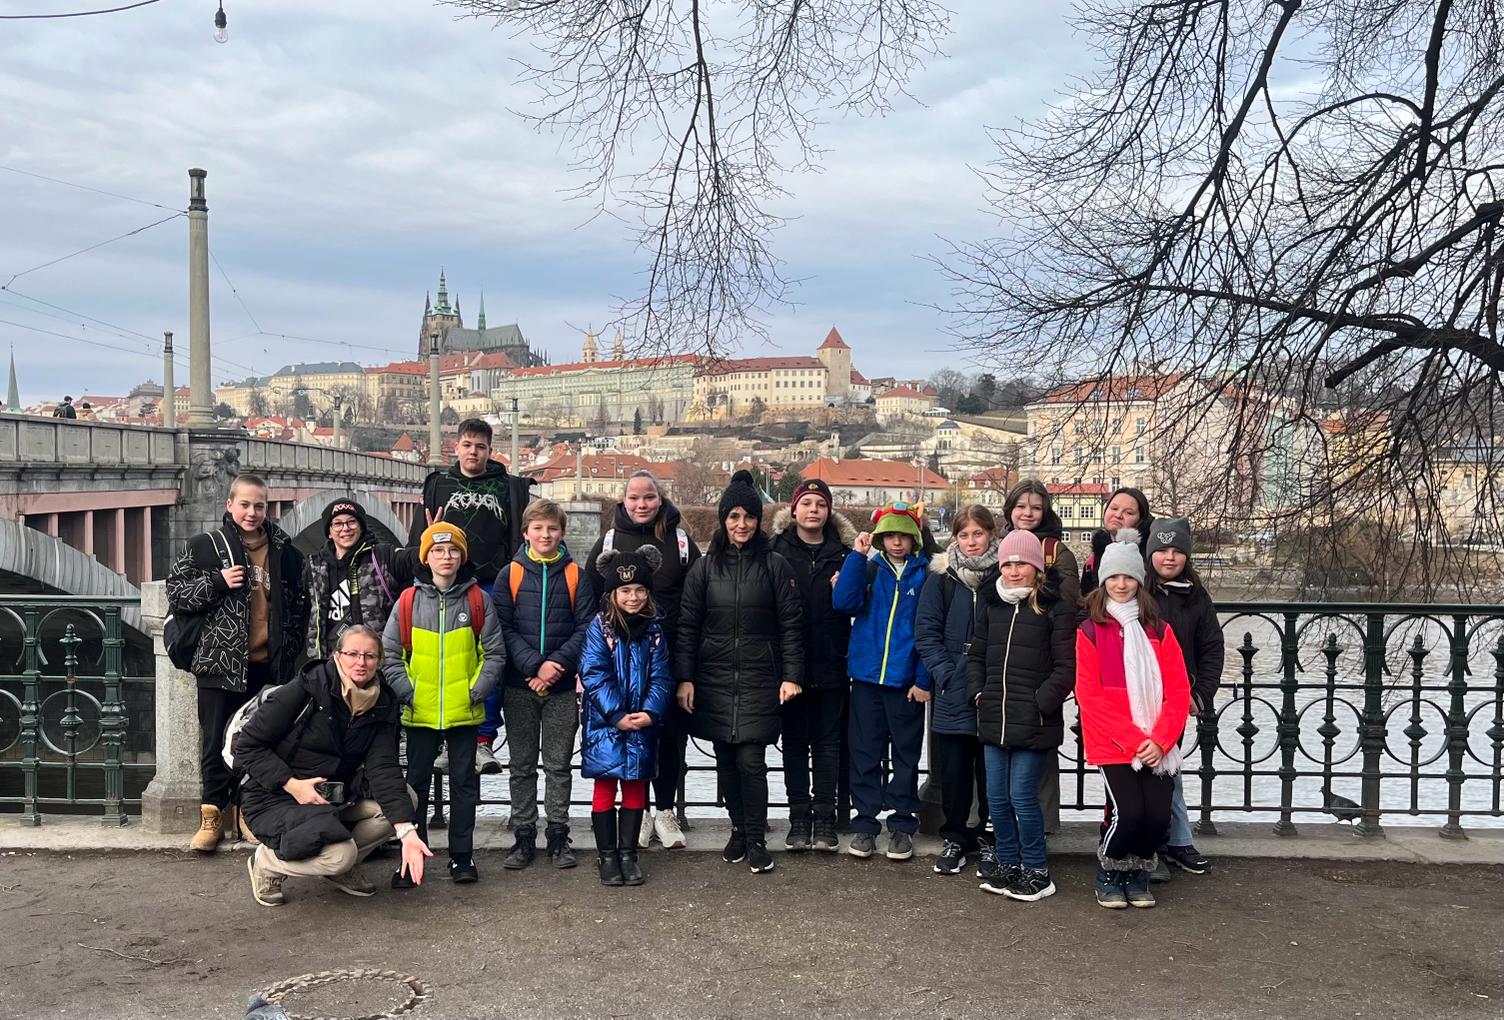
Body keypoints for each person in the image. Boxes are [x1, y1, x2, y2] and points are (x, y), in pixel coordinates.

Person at [166, 473, 308, 853]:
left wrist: (288, 650)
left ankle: (249, 813)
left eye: (259, 505)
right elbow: (176, 595)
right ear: (230, 505)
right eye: (244, 504)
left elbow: (298, 607)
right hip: (220, 663)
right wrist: (215, 582)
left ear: (267, 508)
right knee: (214, 743)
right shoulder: (205, 546)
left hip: (267, 667)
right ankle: (212, 818)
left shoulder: (287, 552)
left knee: (258, 743)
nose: (252, 512)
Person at [239, 625, 431, 906]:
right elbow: (248, 745)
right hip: (275, 797)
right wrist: (291, 785)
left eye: (369, 655)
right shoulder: (307, 688)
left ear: (379, 661)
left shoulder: (383, 703)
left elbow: (383, 768)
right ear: (337, 656)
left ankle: (340, 870)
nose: (360, 662)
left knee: (405, 800)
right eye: (352, 653)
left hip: (331, 795)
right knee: (339, 855)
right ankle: (267, 862)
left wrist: (407, 832)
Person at [676, 470, 804, 874]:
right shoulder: (704, 567)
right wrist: (685, 677)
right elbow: (688, 626)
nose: (741, 524)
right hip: (713, 678)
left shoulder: (775, 565)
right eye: (733, 517)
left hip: (759, 677)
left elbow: (791, 624)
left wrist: (791, 674)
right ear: (722, 520)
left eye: (748, 516)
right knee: (725, 762)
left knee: (752, 762)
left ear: (757, 519)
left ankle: (756, 837)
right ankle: (737, 829)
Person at [584, 469, 702, 851]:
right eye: (634, 498)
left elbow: (694, 606)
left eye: (648, 497)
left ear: (660, 498)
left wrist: (685, 673)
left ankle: (666, 810)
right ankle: (642, 813)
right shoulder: (609, 539)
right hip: (618, 661)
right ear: (623, 500)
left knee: (669, 739)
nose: (641, 504)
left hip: (663, 660)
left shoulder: (681, 542)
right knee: (624, 740)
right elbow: (592, 599)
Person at [408, 417, 534, 776]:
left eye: (480, 446)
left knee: (489, 659)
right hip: (446, 582)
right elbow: (419, 540)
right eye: (467, 445)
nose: (473, 452)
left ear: (490, 451)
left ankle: (483, 739)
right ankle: (450, 738)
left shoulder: (508, 487)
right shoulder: (439, 484)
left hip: (492, 582)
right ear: (456, 447)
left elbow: (521, 534)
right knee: (447, 660)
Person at [381, 521, 504, 886]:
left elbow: (494, 654)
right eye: (437, 550)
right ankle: (411, 857)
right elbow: (391, 654)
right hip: (420, 712)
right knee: (415, 787)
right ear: (426, 557)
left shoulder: (478, 599)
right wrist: (409, 692)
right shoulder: (408, 601)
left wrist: (474, 691)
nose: (446, 556)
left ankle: (461, 857)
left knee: (464, 785)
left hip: (463, 712)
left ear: (462, 556)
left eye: (452, 550)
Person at [1075, 529, 1191, 910]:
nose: (1121, 584)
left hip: (1157, 741)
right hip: (1113, 743)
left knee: (1158, 817)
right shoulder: (1091, 631)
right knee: (1129, 813)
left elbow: (1177, 691)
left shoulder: (1159, 631)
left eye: (1128, 577)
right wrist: (1132, 740)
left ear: (1139, 582)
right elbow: (1090, 696)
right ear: (1103, 581)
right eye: (1114, 577)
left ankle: (1139, 871)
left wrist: (1160, 740)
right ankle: (1110, 871)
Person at [965, 530, 1077, 902]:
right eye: (1008, 564)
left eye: (1022, 564)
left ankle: (1036, 870)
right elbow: (976, 655)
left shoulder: (1054, 609)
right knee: (996, 799)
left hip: (1033, 720)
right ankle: (1008, 863)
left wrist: (1040, 703)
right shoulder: (993, 605)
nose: (1014, 571)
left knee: (1022, 797)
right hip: (995, 715)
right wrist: (978, 692)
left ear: (1036, 567)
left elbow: (1066, 667)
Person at [493, 498, 594, 871]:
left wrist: (556, 665)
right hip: (519, 685)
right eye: (538, 528)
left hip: (562, 687)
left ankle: (557, 834)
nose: (546, 534)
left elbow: (586, 627)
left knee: (558, 765)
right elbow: (501, 626)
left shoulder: (576, 576)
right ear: (526, 533)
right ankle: (523, 835)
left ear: (561, 533)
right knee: (520, 765)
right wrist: (535, 665)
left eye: (552, 528)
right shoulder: (511, 574)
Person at [832, 500, 932, 861]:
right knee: (865, 753)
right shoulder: (871, 569)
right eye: (889, 536)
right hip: (867, 679)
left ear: (914, 540)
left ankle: (903, 824)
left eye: (903, 536)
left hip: (905, 683)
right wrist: (856, 559)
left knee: (906, 756)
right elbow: (844, 603)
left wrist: (923, 679)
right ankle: (865, 824)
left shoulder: (925, 578)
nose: (896, 543)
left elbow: (928, 632)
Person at [579, 546, 674, 886]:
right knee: (605, 787)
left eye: (639, 590)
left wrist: (650, 711)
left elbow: (662, 675)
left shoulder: (655, 630)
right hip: (606, 723)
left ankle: (628, 854)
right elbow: (593, 673)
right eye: (625, 591)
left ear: (647, 592)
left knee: (636, 788)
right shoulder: (599, 628)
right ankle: (607, 856)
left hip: (641, 723)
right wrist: (617, 713)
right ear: (613, 594)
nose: (633, 597)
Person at [769, 478, 855, 853]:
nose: (813, 510)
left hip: (833, 660)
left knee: (827, 744)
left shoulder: (846, 553)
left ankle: (826, 819)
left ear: (829, 511)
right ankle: (798, 819)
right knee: (793, 744)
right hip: (790, 666)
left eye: (821, 504)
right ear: (794, 510)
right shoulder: (776, 550)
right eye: (807, 503)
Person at [915, 504, 997, 877]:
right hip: (953, 684)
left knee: (992, 768)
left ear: (991, 535)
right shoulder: (943, 577)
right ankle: (956, 836)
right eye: (964, 535)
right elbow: (926, 630)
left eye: (978, 534)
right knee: (954, 769)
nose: (971, 541)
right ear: (955, 538)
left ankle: (991, 838)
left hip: (994, 685)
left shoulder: (1004, 574)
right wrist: (945, 674)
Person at [1146, 516, 1224, 879]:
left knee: (1169, 768)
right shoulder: (1137, 591)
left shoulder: (1195, 596)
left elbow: (1211, 648)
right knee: (1147, 773)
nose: (1169, 557)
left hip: (1177, 698)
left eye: (1177, 551)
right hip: (1140, 697)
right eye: (1162, 550)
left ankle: (1173, 841)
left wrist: (1201, 694)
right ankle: (1162, 843)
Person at [1000, 478, 1078, 833]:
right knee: (996, 747)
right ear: (1010, 509)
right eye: (1021, 506)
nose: (1027, 513)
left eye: (1035, 506)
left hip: (1041, 661)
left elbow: (1068, 607)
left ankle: (1042, 826)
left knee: (1041, 748)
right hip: (1002, 662)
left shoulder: (1057, 553)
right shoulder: (997, 543)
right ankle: (996, 824)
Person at [304, 497, 418, 661]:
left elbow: (418, 559)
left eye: (352, 522)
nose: (345, 529)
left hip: (375, 663)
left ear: (361, 527)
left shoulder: (382, 556)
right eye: (337, 523)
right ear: (329, 531)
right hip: (330, 665)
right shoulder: (314, 567)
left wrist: (432, 537)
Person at [1080, 486, 1153, 596]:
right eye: (1114, 508)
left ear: (1141, 520)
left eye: (1128, 512)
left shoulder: (1150, 555)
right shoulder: (1096, 555)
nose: (1118, 515)